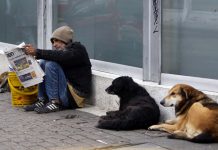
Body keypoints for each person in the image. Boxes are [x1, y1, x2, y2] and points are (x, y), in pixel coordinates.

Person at [23, 25, 92, 113]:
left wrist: (37, 52)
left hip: (75, 97)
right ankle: (42, 99)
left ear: (64, 40)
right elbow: (57, 56)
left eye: (56, 41)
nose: (54, 45)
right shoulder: (64, 52)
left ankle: (54, 102)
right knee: (43, 62)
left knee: (51, 64)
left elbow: (62, 56)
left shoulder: (78, 49)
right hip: (66, 91)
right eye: (53, 42)